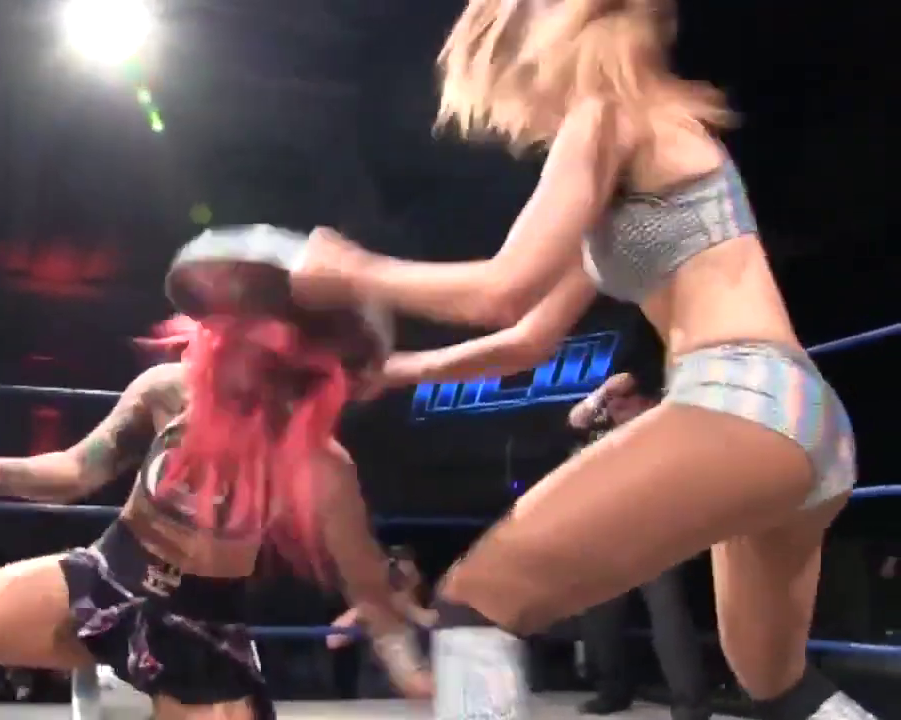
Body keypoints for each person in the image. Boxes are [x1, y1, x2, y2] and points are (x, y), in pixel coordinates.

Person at [288, 0, 870, 717]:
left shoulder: (605, 116)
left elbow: (500, 288)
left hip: (741, 398)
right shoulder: (637, 145)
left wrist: (353, 270)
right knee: (778, 686)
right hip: (803, 418)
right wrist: (396, 372)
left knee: (475, 607)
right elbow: (527, 338)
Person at [0, 234, 429, 720]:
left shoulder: (321, 464)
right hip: (109, 576)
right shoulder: (168, 392)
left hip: (200, 626)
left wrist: (409, 670)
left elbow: (368, 588)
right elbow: (76, 470)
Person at [569, 373, 709, 720]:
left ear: (647, 402)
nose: (615, 409)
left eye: (624, 402)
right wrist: (599, 397)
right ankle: (613, 691)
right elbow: (575, 420)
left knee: (668, 617)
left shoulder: (664, 425)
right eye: (612, 405)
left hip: (655, 536)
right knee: (599, 617)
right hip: (610, 538)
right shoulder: (603, 432)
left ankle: (690, 704)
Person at [327, 545, 436, 699]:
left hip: (419, 698)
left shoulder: (429, 613)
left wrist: (410, 611)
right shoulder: (371, 610)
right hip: (377, 698)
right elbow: (332, 640)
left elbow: (437, 623)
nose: (399, 584)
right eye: (395, 579)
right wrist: (362, 610)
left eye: (404, 579)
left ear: (416, 579)